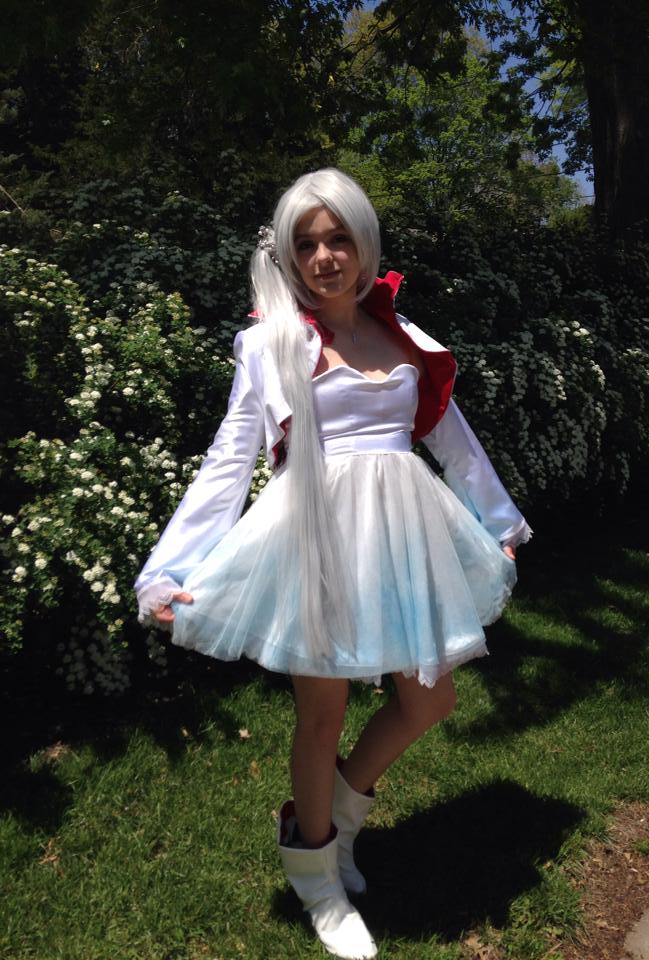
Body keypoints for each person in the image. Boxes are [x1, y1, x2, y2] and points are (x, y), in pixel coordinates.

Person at [134, 168, 531, 960]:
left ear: (364, 244)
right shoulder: (272, 343)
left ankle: (333, 820)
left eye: (338, 238)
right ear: (289, 256)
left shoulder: (404, 335)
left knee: (430, 698)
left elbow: (450, 436)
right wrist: (166, 568)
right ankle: (316, 876)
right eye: (307, 244)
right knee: (323, 714)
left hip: (403, 540)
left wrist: (499, 518)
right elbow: (229, 460)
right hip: (314, 540)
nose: (324, 257)